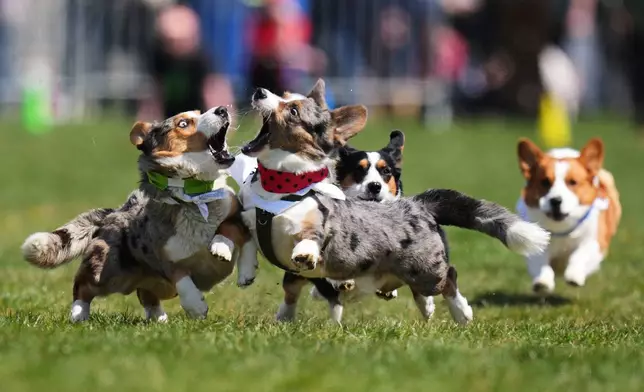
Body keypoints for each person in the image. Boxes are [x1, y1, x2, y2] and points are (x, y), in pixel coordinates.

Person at [138, 4, 234, 120]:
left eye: (179, 42)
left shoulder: (201, 60)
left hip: (199, 116)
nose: (175, 47)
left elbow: (215, 91)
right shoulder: (159, 58)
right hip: (170, 117)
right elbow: (155, 93)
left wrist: (222, 119)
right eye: (170, 42)